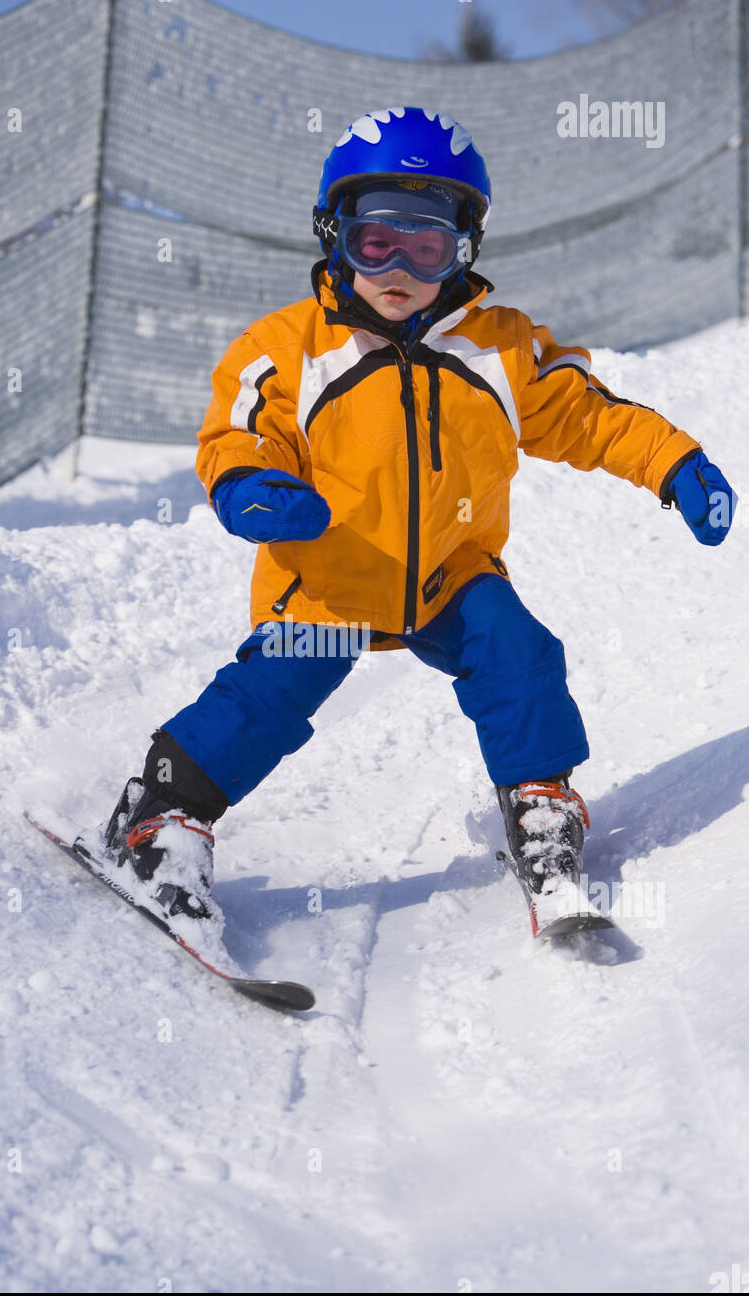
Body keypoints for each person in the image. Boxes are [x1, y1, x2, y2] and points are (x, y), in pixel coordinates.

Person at [90, 106, 736, 948]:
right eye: (375, 241)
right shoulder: (290, 346)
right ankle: (159, 816)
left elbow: (590, 417)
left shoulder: (500, 351)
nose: (398, 267)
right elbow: (241, 431)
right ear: (335, 235)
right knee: (274, 693)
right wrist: (250, 483)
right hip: (330, 576)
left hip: (450, 572)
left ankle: (541, 809)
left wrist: (674, 465)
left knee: (519, 656)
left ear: (465, 247)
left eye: (427, 246)